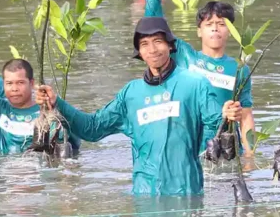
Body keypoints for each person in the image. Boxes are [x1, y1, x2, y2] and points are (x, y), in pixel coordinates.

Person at [35, 16, 243, 196]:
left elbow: (217, 125)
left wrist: (228, 116)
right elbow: (92, 128)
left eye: (158, 41)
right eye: (144, 44)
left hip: (186, 192)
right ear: (139, 52)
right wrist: (56, 102)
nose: (152, 49)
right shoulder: (130, 94)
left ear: (170, 45)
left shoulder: (195, 84)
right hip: (143, 194)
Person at [145, 0, 255, 154]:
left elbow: (246, 117)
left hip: (224, 145)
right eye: (209, 23)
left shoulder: (239, 69)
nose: (215, 27)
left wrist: (250, 157)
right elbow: (155, 25)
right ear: (199, 31)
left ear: (230, 31)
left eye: (221, 24)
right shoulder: (185, 56)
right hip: (187, 141)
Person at [0, 40, 78, 155]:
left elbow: (73, 143)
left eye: (20, 83)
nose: (14, 88)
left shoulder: (48, 111)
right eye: (9, 83)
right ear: (3, 84)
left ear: (31, 83)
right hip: (6, 173)